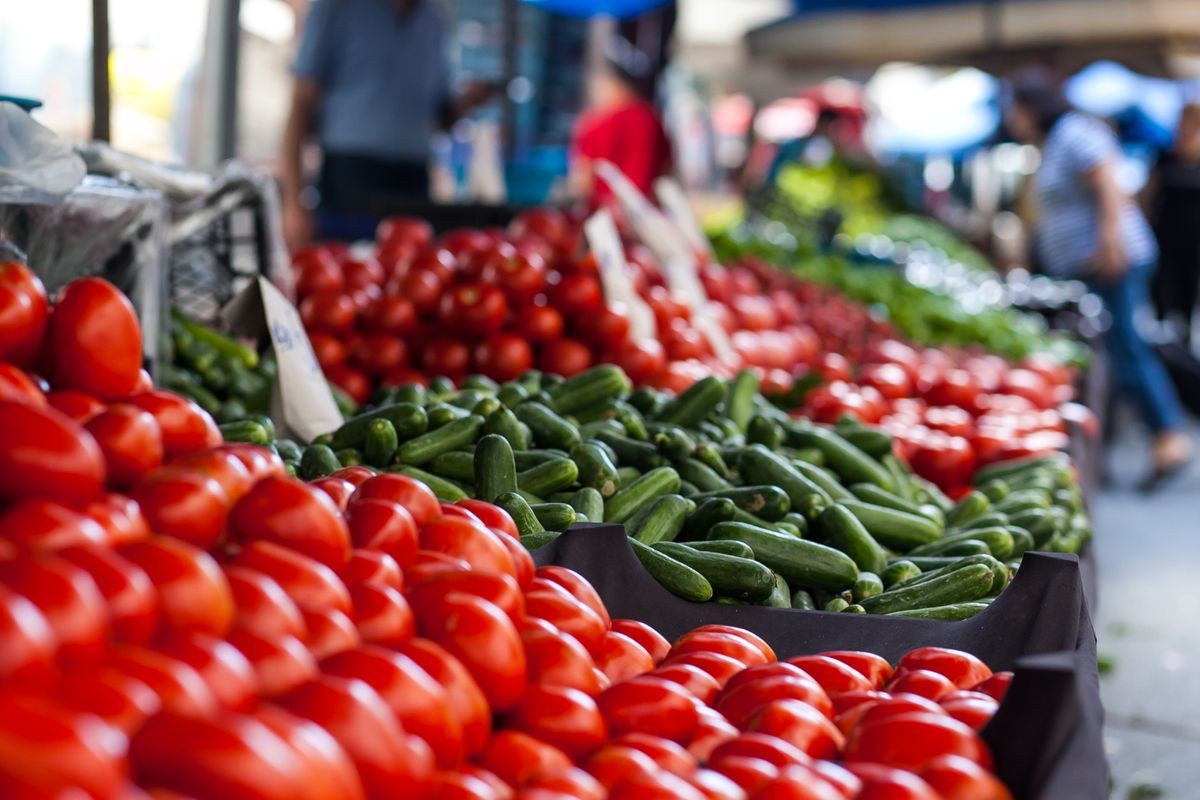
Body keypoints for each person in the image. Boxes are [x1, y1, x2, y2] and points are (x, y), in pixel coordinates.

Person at [1007, 73, 1193, 486]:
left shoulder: (1075, 132)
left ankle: (1169, 437)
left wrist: (1111, 243)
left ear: (1032, 106)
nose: (1012, 120)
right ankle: (1127, 444)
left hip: (1110, 260)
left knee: (1127, 346)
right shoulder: (1055, 142)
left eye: (1014, 110)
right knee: (1110, 352)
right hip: (1090, 264)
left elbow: (1109, 182)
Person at [280, 0, 489, 250]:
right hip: (350, 179)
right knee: (346, 270)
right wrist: (293, 202)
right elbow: (301, 104)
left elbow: (439, 117)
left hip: (415, 180)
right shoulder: (335, 7)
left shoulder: (435, 18)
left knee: (413, 272)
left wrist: (467, 102)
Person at [569, 38, 671, 211]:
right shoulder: (652, 118)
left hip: (607, 216)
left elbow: (581, 181)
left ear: (611, 83)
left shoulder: (595, 123)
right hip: (644, 215)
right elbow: (666, 168)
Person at [1148, 103, 1200, 346]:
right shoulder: (1166, 154)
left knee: (1188, 287)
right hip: (1165, 232)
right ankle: (1165, 342)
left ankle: (1184, 345)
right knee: (1163, 286)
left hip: (1194, 237)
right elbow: (1150, 192)